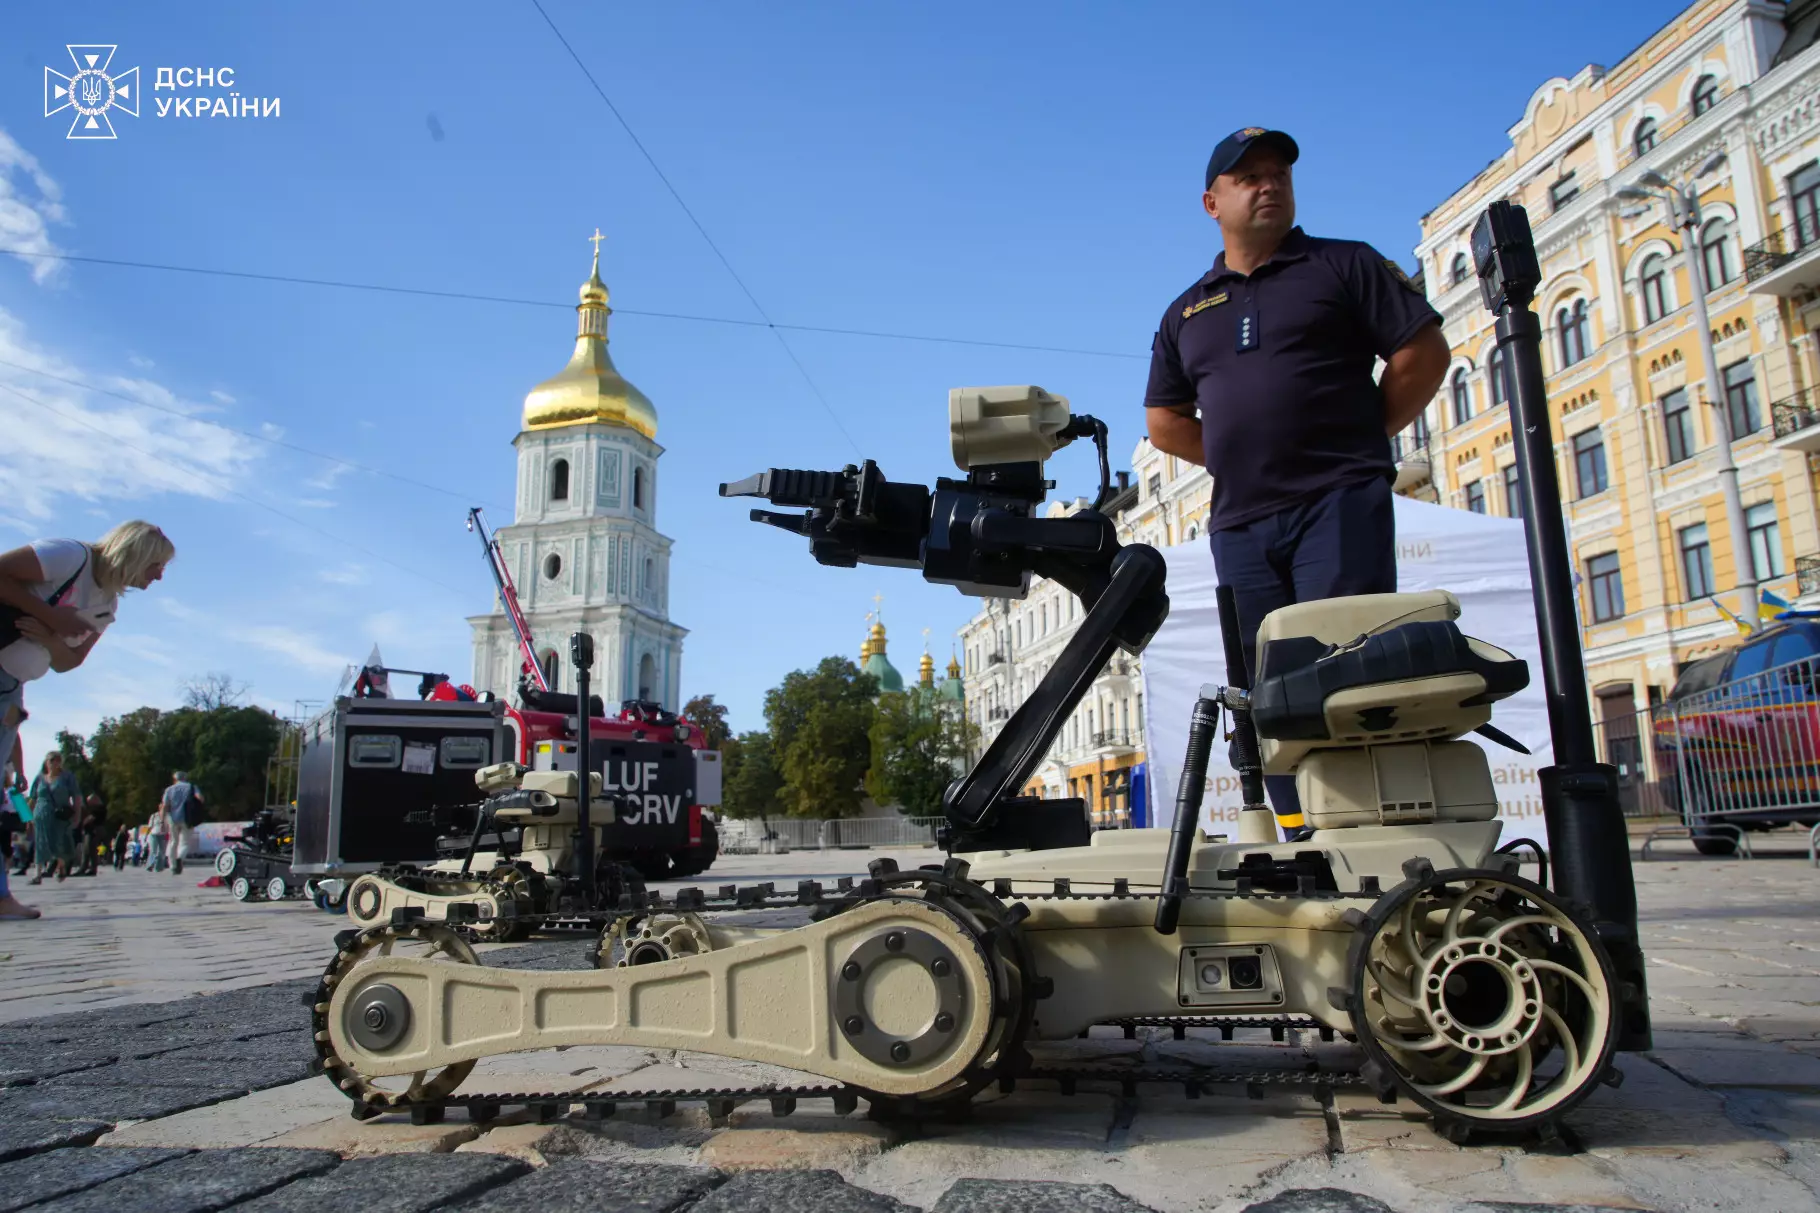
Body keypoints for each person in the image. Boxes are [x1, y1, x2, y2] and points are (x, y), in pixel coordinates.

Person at [1144, 127, 1451, 840]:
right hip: (1242, 526)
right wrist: (1233, 454)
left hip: (1338, 504)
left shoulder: (1343, 265)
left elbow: (1423, 353)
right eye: (1248, 176)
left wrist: (1364, 437)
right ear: (1211, 202)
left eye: (1277, 172)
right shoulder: (1187, 311)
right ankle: (1296, 835)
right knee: (1267, 692)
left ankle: (1361, 834)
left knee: (1344, 673)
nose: (1268, 184)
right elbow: (1163, 421)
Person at [0, 522, 174, 780]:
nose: (159, 576)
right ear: (135, 554)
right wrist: (51, 616)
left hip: (13, 685)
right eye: (156, 565)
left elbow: (68, 662)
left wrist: (51, 639)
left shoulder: (108, 605)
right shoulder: (69, 556)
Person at [27, 751, 77, 884]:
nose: (54, 763)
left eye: (57, 760)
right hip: (40, 815)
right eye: (51, 760)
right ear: (46, 762)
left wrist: (77, 815)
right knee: (40, 843)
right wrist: (26, 817)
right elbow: (32, 798)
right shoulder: (39, 778)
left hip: (59, 816)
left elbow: (77, 796)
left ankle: (60, 867)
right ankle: (37, 874)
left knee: (58, 843)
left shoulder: (67, 777)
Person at [159, 770, 202, 876]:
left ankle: (173, 866)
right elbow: (200, 798)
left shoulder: (169, 789)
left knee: (173, 842)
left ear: (175, 779)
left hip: (173, 819)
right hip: (188, 818)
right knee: (185, 843)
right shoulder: (191, 787)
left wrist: (161, 821)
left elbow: (164, 806)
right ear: (185, 778)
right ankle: (180, 858)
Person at [145, 804, 169, 874]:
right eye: (163, 808)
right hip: (154, 834)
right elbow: (150, 826)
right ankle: (150, 865)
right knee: (153, 850)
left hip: (163, 835)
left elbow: (169, 827)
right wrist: (146, 835)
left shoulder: (167, 817)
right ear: (159, 808)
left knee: (162, 852)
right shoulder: (154, 816)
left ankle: (159, 868)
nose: (164, 810)